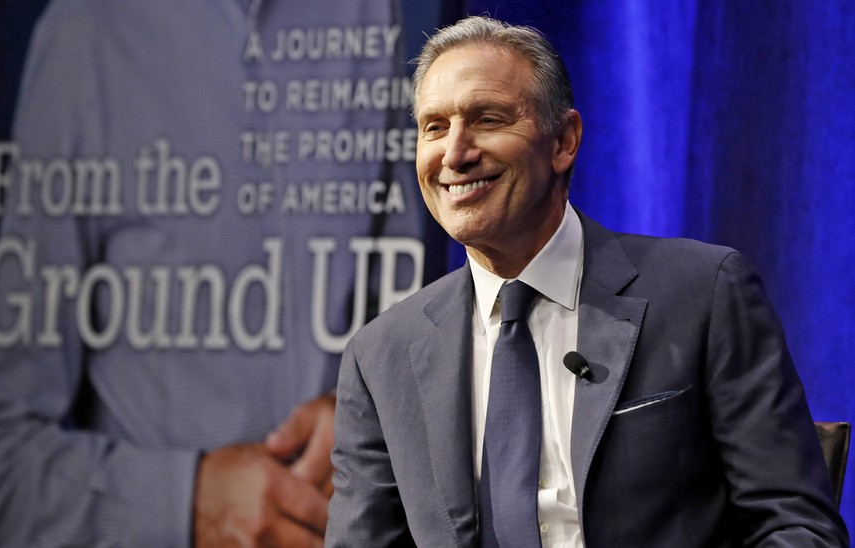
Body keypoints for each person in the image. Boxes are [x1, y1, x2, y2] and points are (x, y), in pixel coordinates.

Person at [325, 15, 850, 547]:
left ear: (564, 141)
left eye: (486, 119)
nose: (455, 153)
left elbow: (798, 529)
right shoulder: (381, 356)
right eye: (434, 127)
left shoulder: (704, 295)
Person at [0, 0, 422, 546]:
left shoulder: (369, 11)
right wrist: (186, 503)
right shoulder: (87, 31)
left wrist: (366, 414)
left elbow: (401, 314)